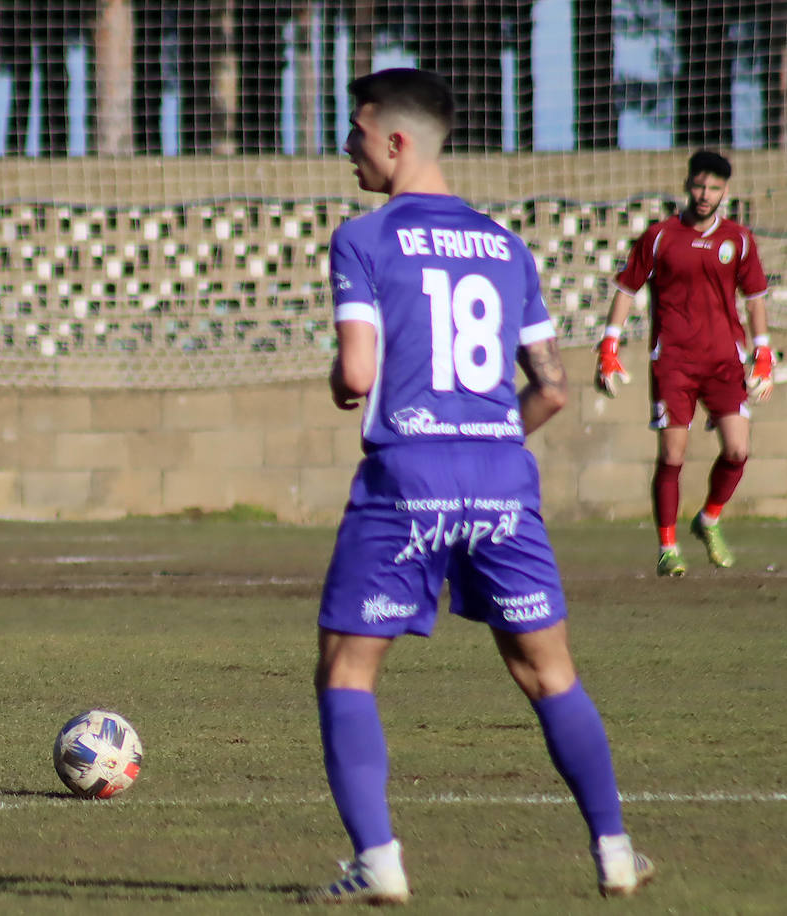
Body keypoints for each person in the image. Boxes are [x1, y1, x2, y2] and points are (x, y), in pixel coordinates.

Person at [304, 68, 654, 904]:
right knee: (548, 672)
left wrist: (343, 382)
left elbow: (357, 374)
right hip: (502, 472)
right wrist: (487, 430)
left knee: (348, 672)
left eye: (355, 133)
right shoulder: (505, 245)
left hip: (408, 476)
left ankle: (379, 861)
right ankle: (613, 851)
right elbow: (554, 386)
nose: (345, 149)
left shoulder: (365, 237)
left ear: (397, 142)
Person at [596, 150, 773, 578]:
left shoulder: (740, 239)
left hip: (724, 361)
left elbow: (754, 300)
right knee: (673, 455)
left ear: (725, 191)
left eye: (714, 188)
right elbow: (626, 289)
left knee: (738, 449)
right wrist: (609, 344)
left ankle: (709, 519)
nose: (705, 194)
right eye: (698, 185)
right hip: (673, 362)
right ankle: (668, 547)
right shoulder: (659, 236)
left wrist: (763, 353)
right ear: (687, 184)